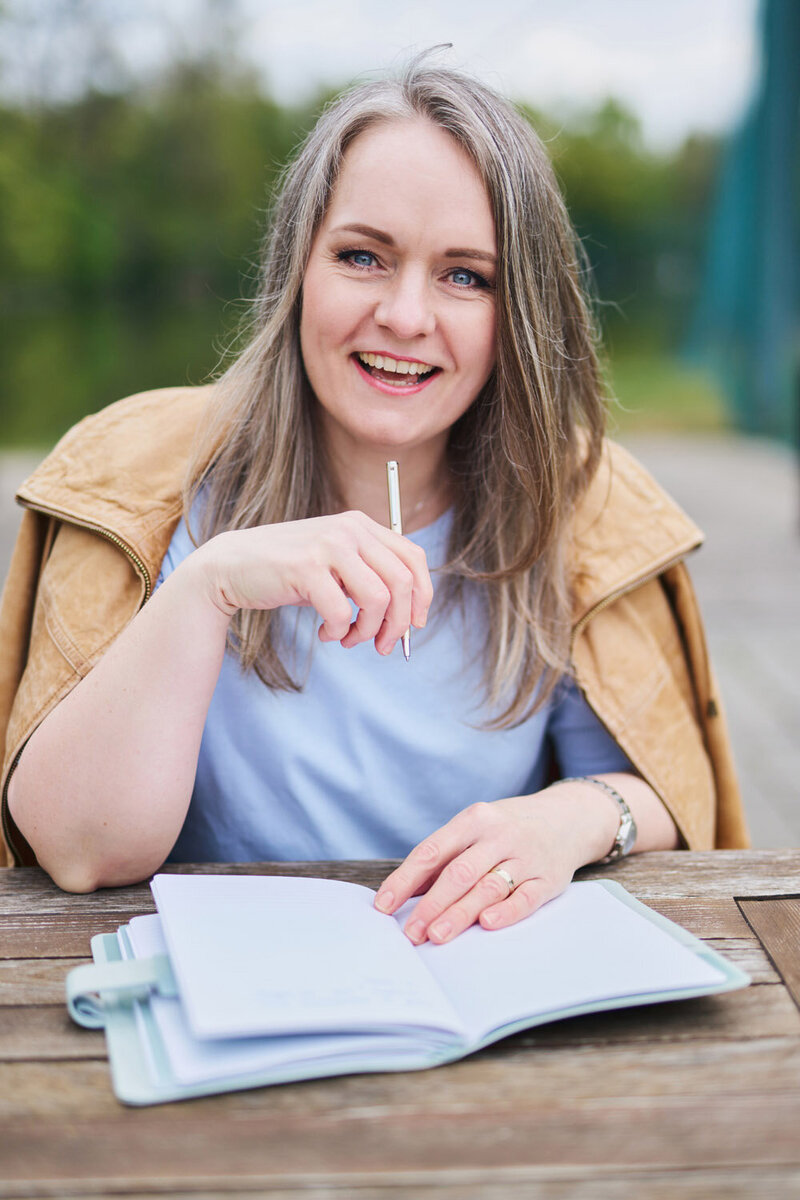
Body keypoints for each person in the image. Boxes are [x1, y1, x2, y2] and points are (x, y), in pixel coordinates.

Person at [0, 58, 748, 944]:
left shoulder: (585, 508)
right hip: (217, 993)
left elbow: (661, 790)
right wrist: (204, 588)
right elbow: (81, 853)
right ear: (298, 271)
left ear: (522, 314)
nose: (403, 314)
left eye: (465, 276)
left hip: (478, 994)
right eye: (363, 256)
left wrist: (571, 819)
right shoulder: (142, 481)